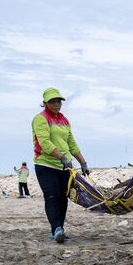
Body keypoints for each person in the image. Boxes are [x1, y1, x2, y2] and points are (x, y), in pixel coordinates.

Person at [32, 87, 90, 244]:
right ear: (45, 103)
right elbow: (44, 142)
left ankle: (60, 229)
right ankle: (56, 228)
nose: (56, 104)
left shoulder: (64, 120)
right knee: (51, 196)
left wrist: (82, 162)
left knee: (63, 198)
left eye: (58, 101)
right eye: (52, 101)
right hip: (45, 165)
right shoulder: (40, 119)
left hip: (65, 167)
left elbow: (71, 143)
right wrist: (62, 157)